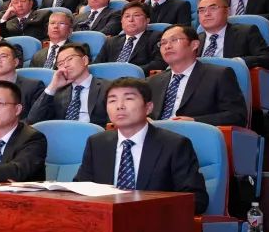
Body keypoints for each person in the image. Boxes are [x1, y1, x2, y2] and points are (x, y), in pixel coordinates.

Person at [74, 78, 208, 215]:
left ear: (148, 107)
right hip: (103, 221)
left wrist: (145, 209)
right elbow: (80, 189)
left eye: (129, 99)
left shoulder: (175, 145)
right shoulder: (97, 144)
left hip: (153, 222)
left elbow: (197, 200)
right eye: (112, 100)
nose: (119, 106)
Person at [146, 25, 247, 126]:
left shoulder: (219, 75)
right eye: (163, 43)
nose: (167, 46)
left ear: (194, 45)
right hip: (156, 133)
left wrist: (195, 121)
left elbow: (237, 116)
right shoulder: (152, 81)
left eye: (174, 40)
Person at [26, 44, 110, 126]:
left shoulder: (107, 88)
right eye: (60, 64)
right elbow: (33, 120)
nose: (65, 65)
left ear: (85, 60)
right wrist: (52, 87)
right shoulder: (57, 92)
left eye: (69, 59)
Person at [195, 0, 269, 70]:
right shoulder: (195, 39)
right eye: (201, 10)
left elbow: (268, 60)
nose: (207, 14)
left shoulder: (246, 32)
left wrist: (236, 63)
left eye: (213, 8)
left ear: (227, 11)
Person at [93, 3, 165, 73]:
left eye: (136, 15)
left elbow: (159, 63)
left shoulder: (156, 37)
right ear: (121, 21)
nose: (131, 20)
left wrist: (128, 72)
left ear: (147, 20)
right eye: (127, 16)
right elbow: (96, 65)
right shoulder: (111, 41)